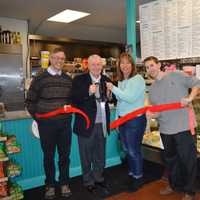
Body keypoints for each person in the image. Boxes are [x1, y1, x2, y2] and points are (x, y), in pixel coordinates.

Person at [144, 56, 200, 200]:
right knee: (171, 161)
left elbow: (196, 84)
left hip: (183, 128)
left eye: (151, 65)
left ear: (159, 64)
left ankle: (190, 191)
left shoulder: (177, 75)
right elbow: (158, 111)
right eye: (147, 67)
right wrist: (152, 115)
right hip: (165, 130)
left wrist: (189, 98)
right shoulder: (153, 89)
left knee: (188, 161)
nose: (150, 69)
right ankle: (175, 185)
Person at [25, 48, 72, 199]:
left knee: (65, 156)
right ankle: (50, 185)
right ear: (51, 59)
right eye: (57, 58)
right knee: (48, 156)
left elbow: (72, 101)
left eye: (62, 59)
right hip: (47, 126)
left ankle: (64, 183)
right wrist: (40, 119)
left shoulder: (68, 79)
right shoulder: (40, 78)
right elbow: (30, 101)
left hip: (65, 125)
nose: (60, 61)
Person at [106, 52, 147, 192]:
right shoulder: (122, 80)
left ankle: (138, 177)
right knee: (127, 149)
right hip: (123, 120)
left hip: (135, 120)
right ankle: (132, 173)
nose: (124, 66)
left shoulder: (138, 79)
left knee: (133, 150)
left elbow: (129, 98)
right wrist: (117, 120)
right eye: (122, 63)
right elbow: (121, 103)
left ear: (132, 65)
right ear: (119, 65)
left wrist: (113, 88)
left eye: (127, 63)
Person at [72, 54, 111, 194]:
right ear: (87, 66)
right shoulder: (79, 80)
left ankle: (99, 178)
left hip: (103, 124)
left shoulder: (106, 80)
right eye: (93, 64)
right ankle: (88, 181)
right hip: (86, 125)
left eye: (98, 64)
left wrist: (111, 94)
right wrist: (87, 91)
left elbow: (111, 101)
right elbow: (73, 100)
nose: (96, 67)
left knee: (100, 154)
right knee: (86, 155)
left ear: (102, 66)